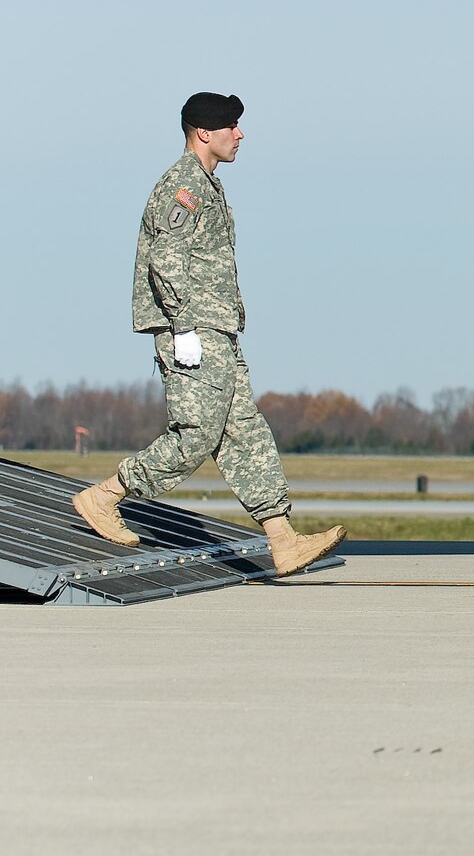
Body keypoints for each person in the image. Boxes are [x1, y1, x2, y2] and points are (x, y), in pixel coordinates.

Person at [70, 92, 346, 577]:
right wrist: (183, 328)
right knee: (196, 435)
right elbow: (165, 259)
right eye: (232, 127)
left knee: (243, 428)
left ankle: (283, 540)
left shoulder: (207, 185)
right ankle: (104, 495)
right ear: (204, 133)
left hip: (217, 327)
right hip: (194, 329)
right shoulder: (183, 186)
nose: (240, 135)